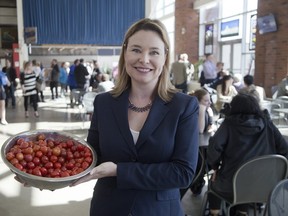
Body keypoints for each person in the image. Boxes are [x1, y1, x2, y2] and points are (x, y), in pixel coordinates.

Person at [71, 18, 199, 216]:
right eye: (136, 50)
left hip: (160, 210)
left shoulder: (184, 106)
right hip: (108, 208)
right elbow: (91, 157)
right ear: (125, 53)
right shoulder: (104, 103)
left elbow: (183, 173)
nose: (144, 59)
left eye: (154, 52)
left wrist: (119, 171)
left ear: (165, 57)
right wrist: (46, 173)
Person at [206, 93, 288, 216]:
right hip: (266, 186)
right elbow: (284, 149)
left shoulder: (229, 124)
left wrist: (215, 166)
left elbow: (214, 147)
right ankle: (242, 212)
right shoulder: (267, 123)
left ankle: (214, 213)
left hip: (232, 186)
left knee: (215, 180)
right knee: (248, 176)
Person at [180, 88, 215, 198]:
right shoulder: (193, 111)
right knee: (199, 165)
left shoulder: (208, 110)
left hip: (202, 145)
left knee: (205, 163)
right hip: (192, 147)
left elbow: (210, 125)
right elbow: (200, 130)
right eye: (206, 100)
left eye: (209, 100)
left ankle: (198, 185)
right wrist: (201, 109)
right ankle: (194, 185)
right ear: (198, 101)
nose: (210, 103)